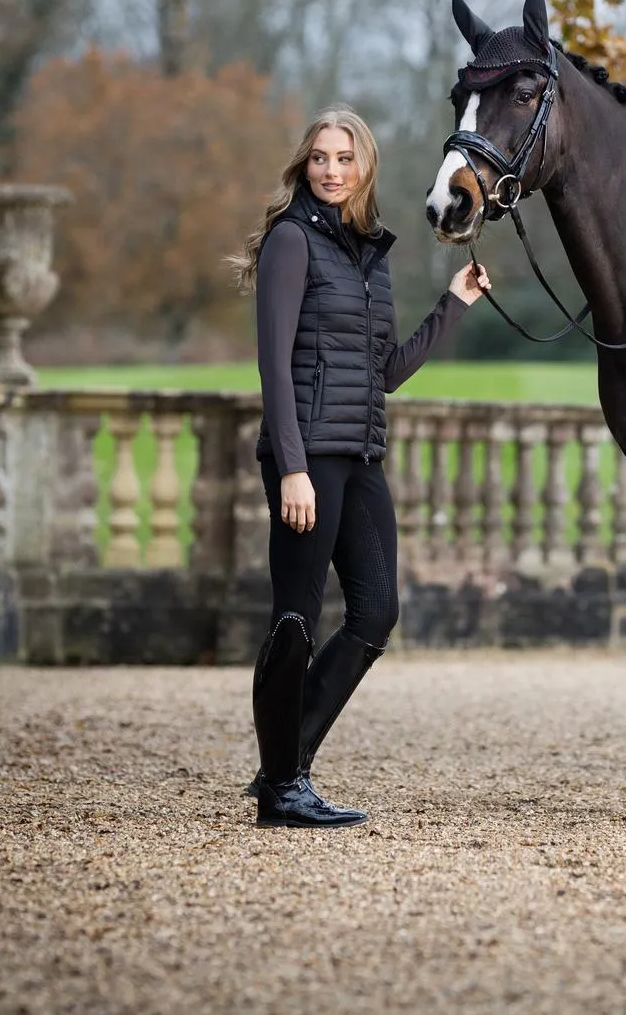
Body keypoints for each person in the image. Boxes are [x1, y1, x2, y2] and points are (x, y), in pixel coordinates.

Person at [231, 105, 490, 828]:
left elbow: (385, 371)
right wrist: (290, 467)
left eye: (345, 157)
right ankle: (284, 788)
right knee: (296, 618)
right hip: (307, 454)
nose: (332, 169)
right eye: (320, 156)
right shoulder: (291, 242)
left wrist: (453, 303)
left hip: (361, 452)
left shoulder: (366, 253)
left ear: (365, 165)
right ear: (304, 165)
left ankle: (283, 764)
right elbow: (273, 366)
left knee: (378, 609)